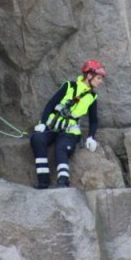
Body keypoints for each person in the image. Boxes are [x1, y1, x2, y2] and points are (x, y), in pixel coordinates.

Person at [29, 60, 105, 188]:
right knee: (37, 139)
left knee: (62, 147)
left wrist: (91, 136)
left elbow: (93, 120)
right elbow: (50, 104)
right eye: (98, 78)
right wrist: (42, 123)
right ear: (89, 76)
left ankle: (63, 181)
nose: (100, 81)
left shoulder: (92, 97)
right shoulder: (69, 86)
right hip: (53, 126)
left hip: (70, 131)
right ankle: (43, 181)